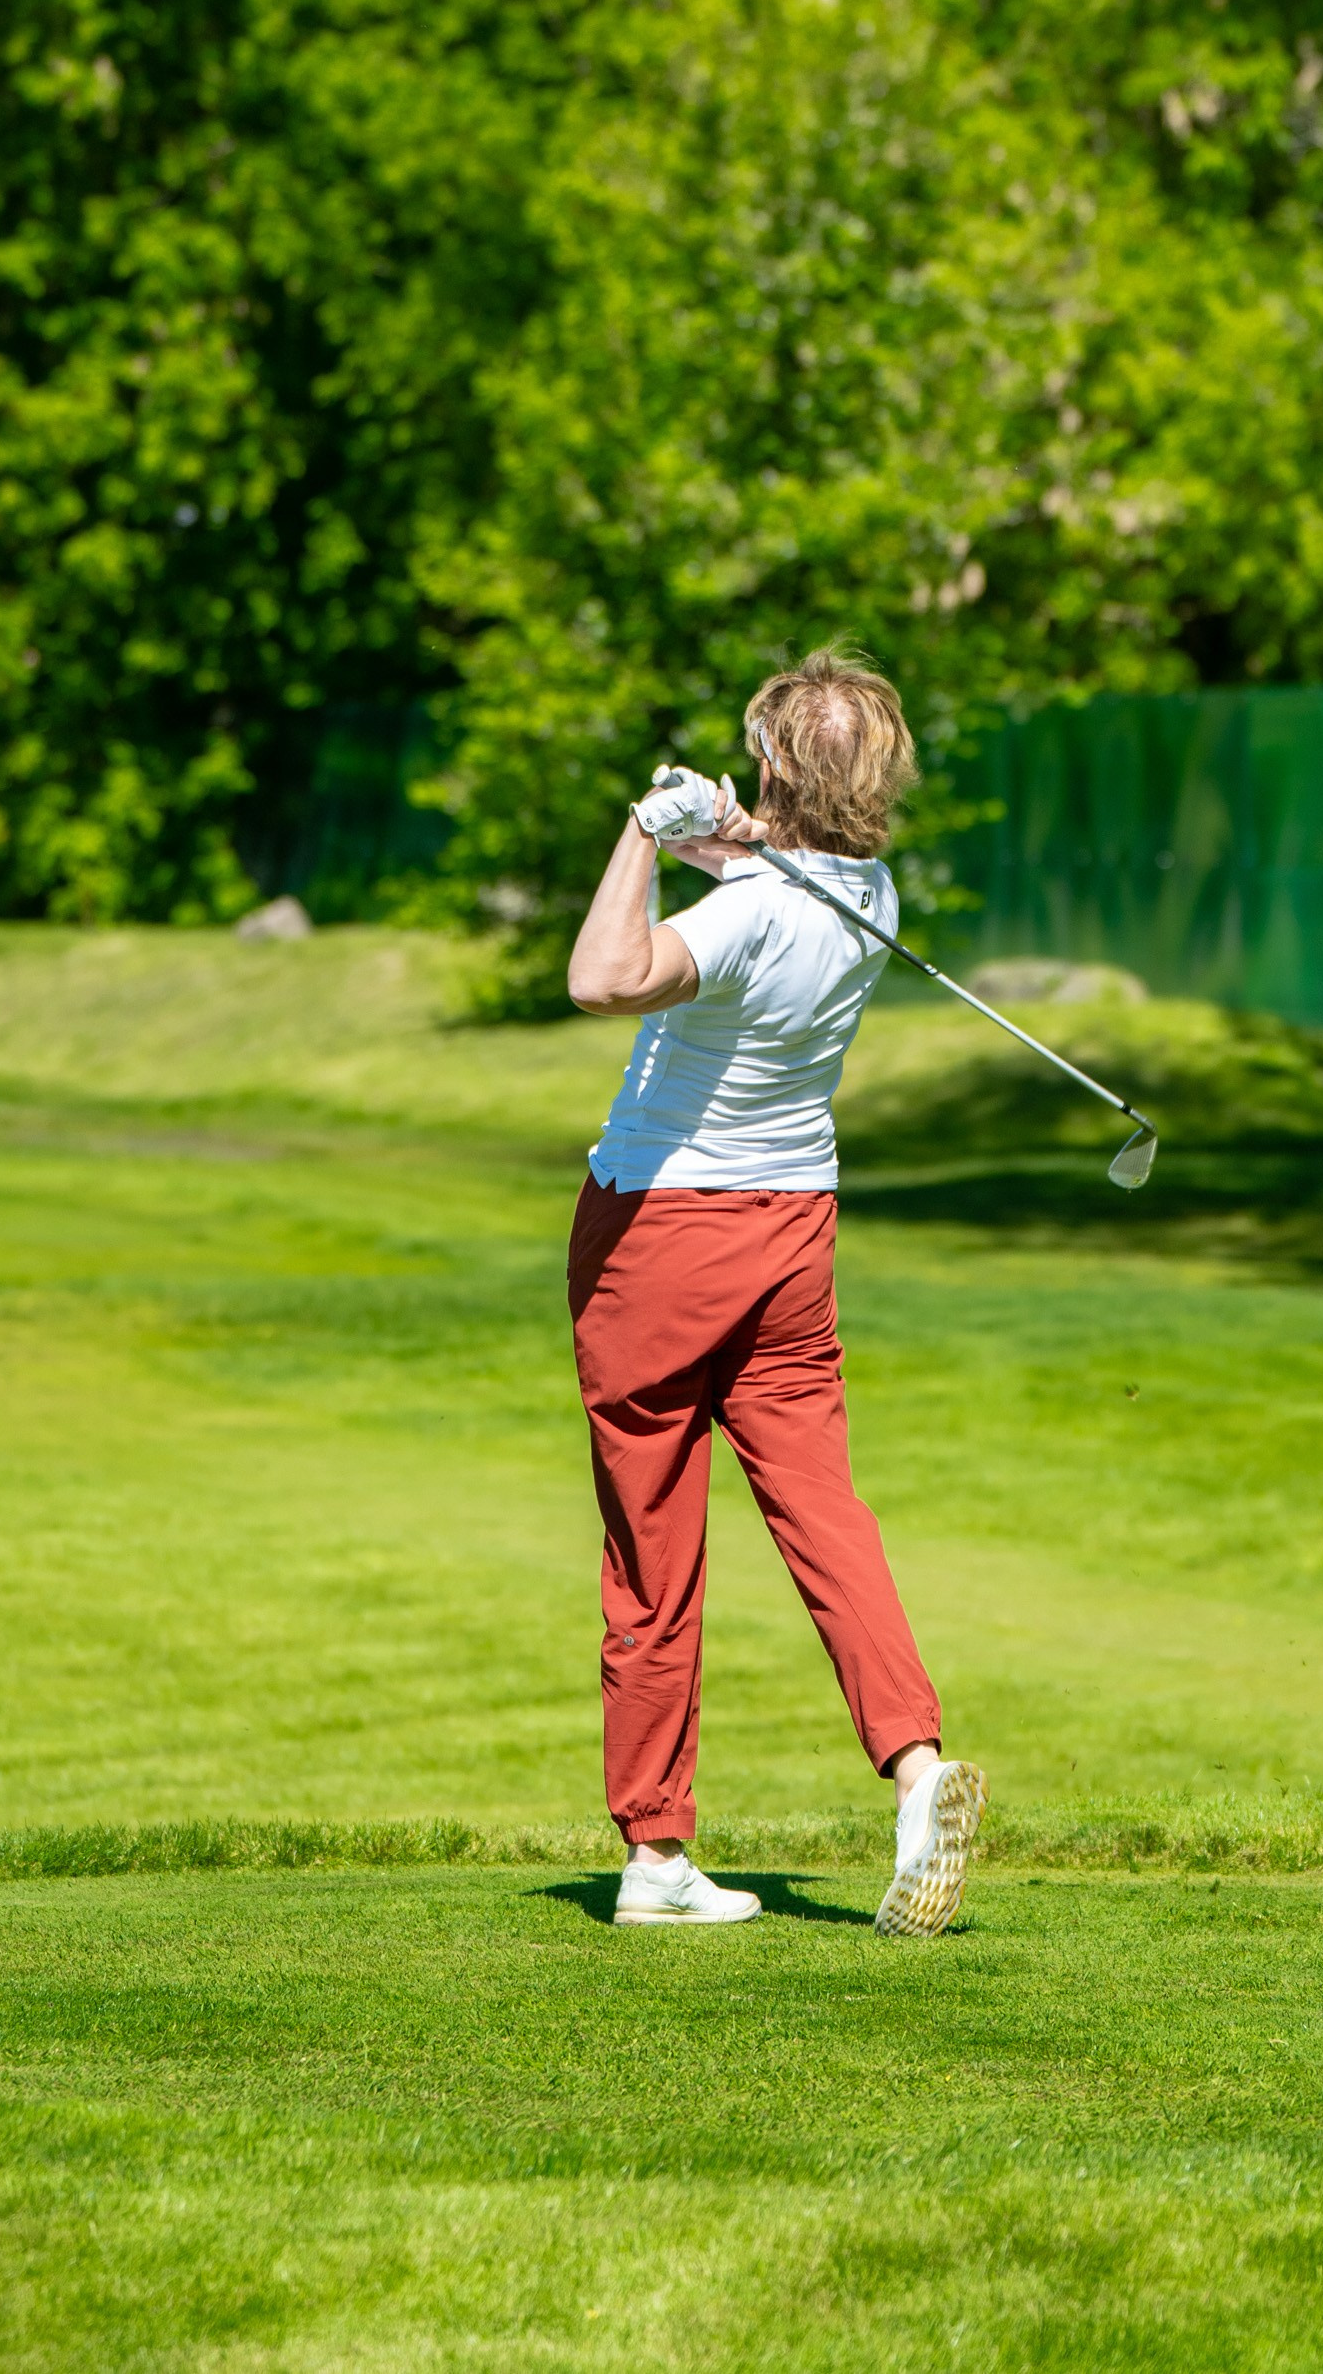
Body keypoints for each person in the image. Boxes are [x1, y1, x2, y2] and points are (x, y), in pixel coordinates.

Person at [564, 645, 985, 1933]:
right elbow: (771, 880)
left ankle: (654, 1855)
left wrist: (643, 831)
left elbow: (602, 977)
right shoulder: (874, 894)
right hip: (794, 1231)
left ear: (775, 764)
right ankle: (915, 1767)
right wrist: (726, 832)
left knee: (653, 1544)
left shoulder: (747, 913)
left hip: (656, 1238)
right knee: (821, 1508)